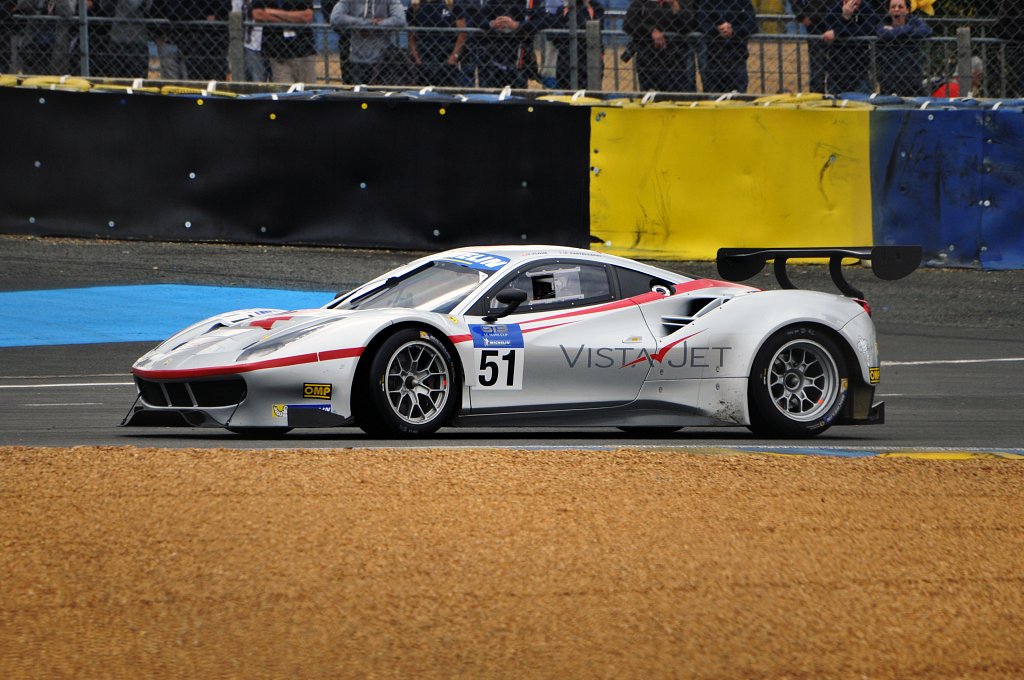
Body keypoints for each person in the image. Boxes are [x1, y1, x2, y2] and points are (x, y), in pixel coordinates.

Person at [460, 0, 541, 89]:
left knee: (518, 93)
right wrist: (493, 23)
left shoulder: (531, 2)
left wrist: (517, 25)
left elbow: (542, 21)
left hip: (519, 54)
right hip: (494, 55)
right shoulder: (493, 2)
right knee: (491, 93)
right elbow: (478, 19)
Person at [623, 0, 698, 93]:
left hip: (676, 58)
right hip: (648, 58)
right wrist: (651, 31)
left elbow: (689, 26)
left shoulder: (682, 2)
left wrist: (675, 6)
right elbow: (628, 24)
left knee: (678, 94)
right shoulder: (641, 3)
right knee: (650, 96)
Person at [330, 0, 407, 86]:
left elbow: (400, 20)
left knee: (381, 95)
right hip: (357, 58)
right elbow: (335, 18)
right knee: (358, 94)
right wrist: (366, 23)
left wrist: (376, 26)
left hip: (382, 60)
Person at [152, 0, 231, 81]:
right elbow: (170, 11)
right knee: (173, 80)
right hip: (174, 37)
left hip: (204, 41)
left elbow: (224, 9)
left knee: (194, 79)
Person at [821, 0, 882, 94]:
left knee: (862, 101)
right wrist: (844, 18)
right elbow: (828, 31)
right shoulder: (834, 9)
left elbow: (869, 30)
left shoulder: (867, 9)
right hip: (836, 68)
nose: (853, 1)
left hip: (861, 68)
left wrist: (837, 33)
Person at [696, 0, 756, 93]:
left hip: (737, 55)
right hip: (713, 56)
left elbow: (752, 24)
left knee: (738, 96)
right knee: (713, 94)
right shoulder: (707, 3)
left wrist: (734, 31)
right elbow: (701, 24)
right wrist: (718, 29)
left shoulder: (743, 2)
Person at [874, 0, 929, 96]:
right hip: (889, 79)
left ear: (907, 10)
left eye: (900, 7)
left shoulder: (915, 21)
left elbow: (926, 31)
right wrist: (908, 30)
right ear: (888, 11)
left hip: (913, 79)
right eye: (893, 7)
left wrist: (894, 32)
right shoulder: (883, 22)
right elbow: (881, 33)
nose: (896, 10)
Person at [252, 0, 316, 83]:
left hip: (303, 50)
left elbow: (307, 16)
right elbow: (258, 15)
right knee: (285, 93)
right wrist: (293, 18)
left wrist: (273, 12)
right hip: (278, 53)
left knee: (308, 90)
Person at [408, 0, 467, 87]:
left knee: (447, 95)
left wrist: (454, 56)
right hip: (424, 58)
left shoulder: (451, 4)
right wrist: (416, 56)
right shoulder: (415, 5)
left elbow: (462, 33)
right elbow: (411, 34)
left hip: (446, 58)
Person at [92, 0, 154, 78]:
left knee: (137, 79)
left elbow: (142, 7)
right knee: (116, 78)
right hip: (117, 38)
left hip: (137, 40)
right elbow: (105, 7)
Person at [14, 0, 75, 75]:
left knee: (54, 77)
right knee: (31, 77)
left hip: (57, 45)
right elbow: (23, 6)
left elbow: (68, 12)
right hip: (33, 43)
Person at [792, 0, 831, 92]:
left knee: (841, 64)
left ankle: (840, 96)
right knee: (817, 65)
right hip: (815, 24)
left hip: (840, 19)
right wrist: (802, 16)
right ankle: (818, 97)